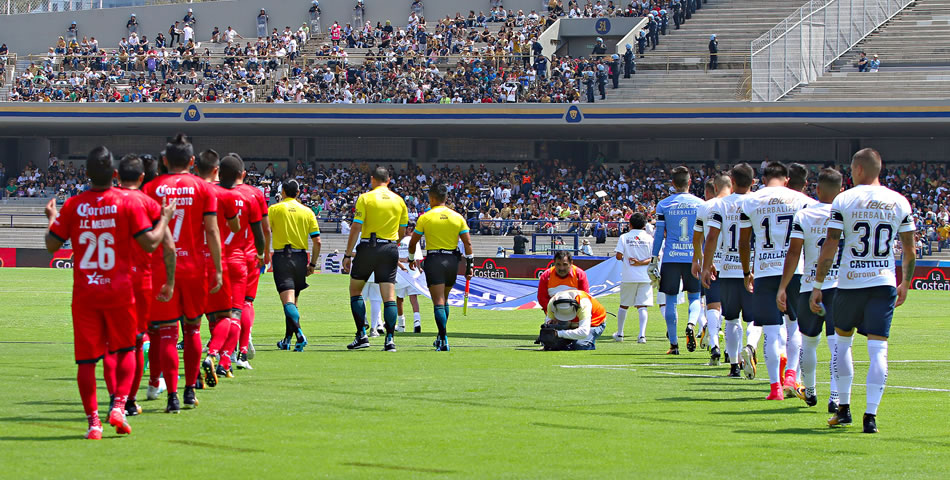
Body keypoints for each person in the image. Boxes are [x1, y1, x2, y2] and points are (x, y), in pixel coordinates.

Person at [45, 146, 173, 439]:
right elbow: (152, 243)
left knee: (87, 361)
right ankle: (118, 405)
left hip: (86, 294)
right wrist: (165, 217)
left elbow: (52, 246)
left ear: (86, 174)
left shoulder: (74, 205)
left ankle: (93, 423)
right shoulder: (126, 204)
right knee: (127, 349)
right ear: (114, 174)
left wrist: (51, 217)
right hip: (120, 290)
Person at [810, 148, 916, 434]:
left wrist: (818, 285)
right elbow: (909, 249)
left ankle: (844, 409)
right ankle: (871, 416)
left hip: (850, 282)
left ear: (857, 170)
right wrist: (905, 282)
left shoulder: (844, 199)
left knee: (843, 345)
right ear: (878, 169)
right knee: (878, 348)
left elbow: (830, 245)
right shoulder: (899, 201)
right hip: (882, 283)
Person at [143, 134, 223, 414]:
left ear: (164, 161)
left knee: (165, 334)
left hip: (162, 269)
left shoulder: (151, 188)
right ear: (192, 161)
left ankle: (172, 396)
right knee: (192, 330)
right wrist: (218, 268)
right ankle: (190, 391)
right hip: (194, 268)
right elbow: (212, 231)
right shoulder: (203, 188)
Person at [738, 161, 817, 401]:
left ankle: (775, 389)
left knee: (772, 331)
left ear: (763, 179)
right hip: (796, 270)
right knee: (795, 325)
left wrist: (746, 272)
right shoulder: (802, 200)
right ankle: (792, 375)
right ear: (786, 179)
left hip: (764, 270)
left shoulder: (750, 201)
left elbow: (744, 242)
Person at [112, 154, 176, 417]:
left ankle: (120, 399)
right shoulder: (150, 203)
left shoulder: (107, 200)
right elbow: (168, 245)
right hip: (145, 277)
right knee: (157, 334)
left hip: (109, 279)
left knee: (118, 344)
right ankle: (163, 391)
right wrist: (171, 280)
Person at [778, 168, 843, 411]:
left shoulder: (804, 215)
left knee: (809, 343)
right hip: (839, 286)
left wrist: (783, 286)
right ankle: (836, 398)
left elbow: (794, 253)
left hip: (808, 286)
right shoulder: (845, 214)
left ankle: (812, 391)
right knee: (838, 345)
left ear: (816, 189)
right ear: (841, 191)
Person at [342, 167, 409, 352]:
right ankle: (389, 340)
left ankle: (361, 335)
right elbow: (403, 231)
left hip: (368, 247)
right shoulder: (399, 200)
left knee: (355, 291)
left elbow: (356, 227)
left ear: (373, 179)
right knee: (389, 296)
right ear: (389, 180)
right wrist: (392, 243)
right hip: (389, 247)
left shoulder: (365, 198)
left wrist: (348, 254)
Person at [702, 164, 757, 378]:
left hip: (727, 268)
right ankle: (751, 346)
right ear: (753, 182)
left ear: (732, 181)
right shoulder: (757, 203)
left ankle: (734, 366)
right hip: (751, 269)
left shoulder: (721, 205)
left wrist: (707, 266)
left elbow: (712, 237)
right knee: (755, 319)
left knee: (732, 319)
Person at [408, 183, 474, 351]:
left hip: (434, 259)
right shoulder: (457, 217)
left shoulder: (426, 217)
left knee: (438, 301)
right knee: (444, 299)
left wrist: (410, 258)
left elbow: (413, 241)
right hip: (452, 261)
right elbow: (468, 243)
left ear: (432, 198)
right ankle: (440, 335)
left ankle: (443, 338)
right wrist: (469, 267)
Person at [194, 150, 241, 386]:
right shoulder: (225, 195)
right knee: (226, 315)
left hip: (189, 260)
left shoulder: (189, 191)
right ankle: (214, 355)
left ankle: (191, 376)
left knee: (191, 323)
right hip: (214, 259)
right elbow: (235, 226)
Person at [651, 166, 704, 355]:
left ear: (672, 184)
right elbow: (704, 234)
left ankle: (673, 345)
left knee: (670, 300)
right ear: (690, 182)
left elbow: (658, 234)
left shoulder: (664, 205)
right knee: (695, 297)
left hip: (671, 257)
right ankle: (691, 324)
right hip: (694, 257)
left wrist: (653, 257)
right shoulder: (700, 204)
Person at [268, 179, 321, 352]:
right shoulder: (307, 211)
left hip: (282, 257)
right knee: (293, 302)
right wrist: (312, 263)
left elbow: (265, 232)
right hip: (300, 258)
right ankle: (287, 340)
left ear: (282, 191)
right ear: (298, 193)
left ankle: (299, 334)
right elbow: (317, 242)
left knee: (287, 301)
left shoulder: (274, 209)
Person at [234, 155, 271, 369]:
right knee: (246, 302)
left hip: (221, 257)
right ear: (244, 174)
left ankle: (223, 350)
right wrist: (265, 252)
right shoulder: (255, 194)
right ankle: (242, 351)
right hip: (249, 256)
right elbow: (264, 228)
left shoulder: (216, 193)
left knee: (224, 308)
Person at [692, 174, 732, 365]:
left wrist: (698, 261)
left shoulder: (706, 206)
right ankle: (731, 353)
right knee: (732, 311)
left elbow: (698, 238)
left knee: (712, 305)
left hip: (713, 262)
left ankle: (714, 345)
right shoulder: (740, 204)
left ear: (714, 187)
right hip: (736, 264)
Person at [613, 213, 654, 343]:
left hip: (628, 275)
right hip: (645, 276)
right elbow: (654, 259)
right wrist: (640, 262)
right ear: (644, 225)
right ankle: (642, 335)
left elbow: (618, 256)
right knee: (642, 306)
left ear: (630, 224)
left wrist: (628, 258)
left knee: (624, 305)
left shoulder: (624, 237)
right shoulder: (649, 238)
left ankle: (620, 334)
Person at [537, 290, 607, 350]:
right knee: (553, 345)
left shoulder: (583, 302)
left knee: (580, 345)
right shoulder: (552, 303)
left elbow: (584, 332)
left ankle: (588, 342)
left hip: (593, 323)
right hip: (568, 324)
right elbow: (548, 324)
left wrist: (558, 334)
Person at [396, 229, 424, 333]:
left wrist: (402, 260)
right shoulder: (414, 241)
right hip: (413, 272)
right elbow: (417, 259)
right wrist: (419, 268)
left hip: (401, 272)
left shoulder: (399, 240)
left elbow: (394, 257)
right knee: (413, 298)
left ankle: (401, 325)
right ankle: (417, 323)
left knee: (399, 298)